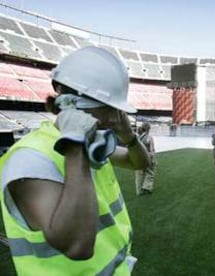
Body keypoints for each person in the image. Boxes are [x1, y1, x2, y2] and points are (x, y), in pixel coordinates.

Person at [0, 46, 150, 275]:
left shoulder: (91, 142)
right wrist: (75, 147)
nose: (114, 118)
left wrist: (129, 136)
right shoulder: (29, 160)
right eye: (109, 109)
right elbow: (77, 245)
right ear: (74, 105)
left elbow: (139, 163)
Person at [135, 122, 156, 195]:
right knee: (150, 172)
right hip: (147, 157)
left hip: (137, 158)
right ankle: (147, 187)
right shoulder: (149, 138)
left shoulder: (137, 137)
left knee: (139, 175)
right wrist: (153, 159)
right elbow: (152, 149)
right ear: (148, 129)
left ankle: (139, 191)